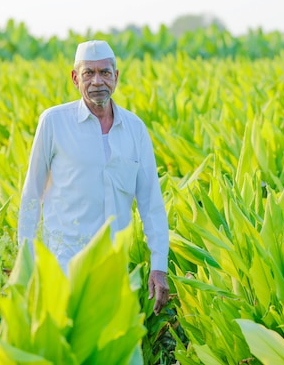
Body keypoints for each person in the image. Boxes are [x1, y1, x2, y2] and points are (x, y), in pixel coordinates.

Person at [18, 40, 170, 315]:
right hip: (63, 268)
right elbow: (31, 196)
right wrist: (25, 265)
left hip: (114, 270)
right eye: (88, 73)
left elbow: (151, 204)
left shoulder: (135, 129)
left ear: (116, 77)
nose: (97, 81)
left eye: (105, 72)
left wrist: (159, 266)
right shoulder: (53, 122)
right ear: (75, 78)